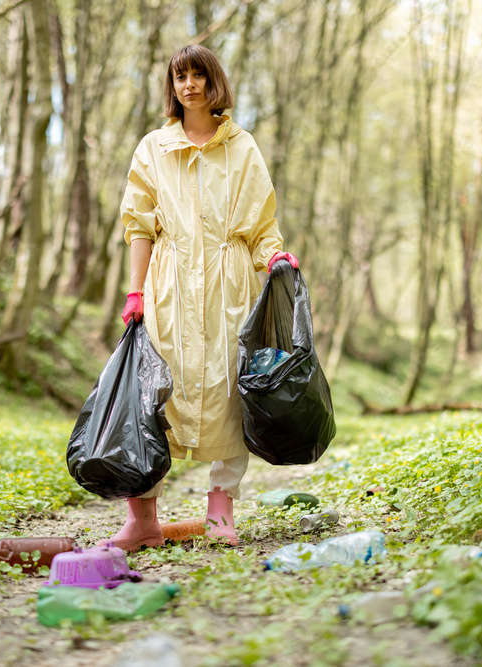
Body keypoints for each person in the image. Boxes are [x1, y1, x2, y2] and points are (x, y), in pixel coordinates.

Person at [114, 44, 299, 551]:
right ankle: (142, 518)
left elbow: (263, 224)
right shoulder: (152, 147)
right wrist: (136, 289)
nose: (189, 84)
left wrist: (275, 259)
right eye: (179, 76)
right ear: (171, 86)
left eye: (197, 74)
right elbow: (139, 225)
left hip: (228, 283)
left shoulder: (242, 147)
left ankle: (221, 513)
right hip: (169, 285)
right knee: (151, 398)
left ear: (213, 81)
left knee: (229, 392)